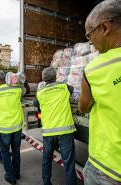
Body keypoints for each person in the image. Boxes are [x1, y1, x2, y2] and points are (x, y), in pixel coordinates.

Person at [79, 1, 121, 184]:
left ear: (105, 27)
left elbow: (83, 107)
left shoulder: (93, 69)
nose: (90, 42)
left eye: (89, 35)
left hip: (107, 166)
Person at [36, 67, 77, 185]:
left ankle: (46, 182)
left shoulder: (40, 93)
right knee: (68, 163)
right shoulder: (64, 88)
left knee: (46, 160)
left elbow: (36, 104)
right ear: (55, 77)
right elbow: (72, 88)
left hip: (48, 133)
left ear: (43, 79)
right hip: (65, 131)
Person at [0, 70, 24, 185]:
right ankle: (17, 173)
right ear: (5, 79)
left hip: (4, 129)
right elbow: (23, 90)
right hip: (17, 127)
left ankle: (10, 176)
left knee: (5, 152)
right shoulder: (16, 90)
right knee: (16, 151)